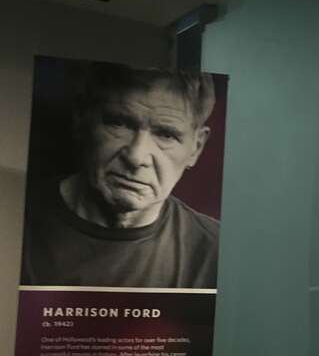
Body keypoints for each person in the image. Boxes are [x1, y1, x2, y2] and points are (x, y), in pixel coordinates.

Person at [21, 62, 220, 288]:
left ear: (196, 148)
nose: (136, 157)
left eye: (166, 134)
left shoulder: (215, 252)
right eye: (119, 123)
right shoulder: (18, 218)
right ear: (81, 119)